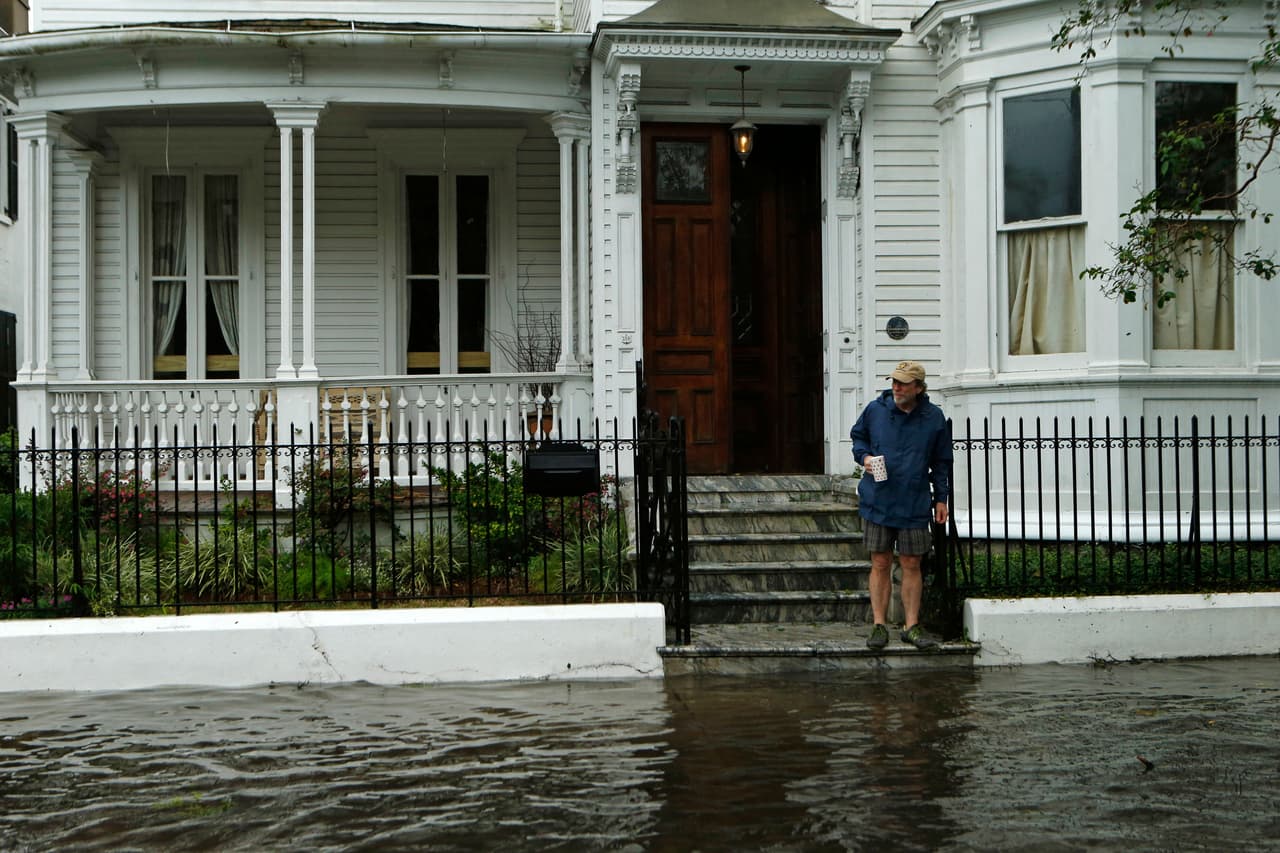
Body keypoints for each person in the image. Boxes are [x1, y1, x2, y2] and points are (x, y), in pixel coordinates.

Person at [849, 360, 952, 651]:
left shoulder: (933, 418)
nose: (896, 387)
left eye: (903, 383)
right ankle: (879, 625)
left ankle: (911, 626)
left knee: (911, 563)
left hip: (914, 501)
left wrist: (941, 498)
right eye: (894, 382)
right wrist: (865, 458)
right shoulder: (875, 410)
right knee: (880, 562)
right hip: (878, 499)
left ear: (918, 388)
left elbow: (941, 461)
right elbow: (858, 437)